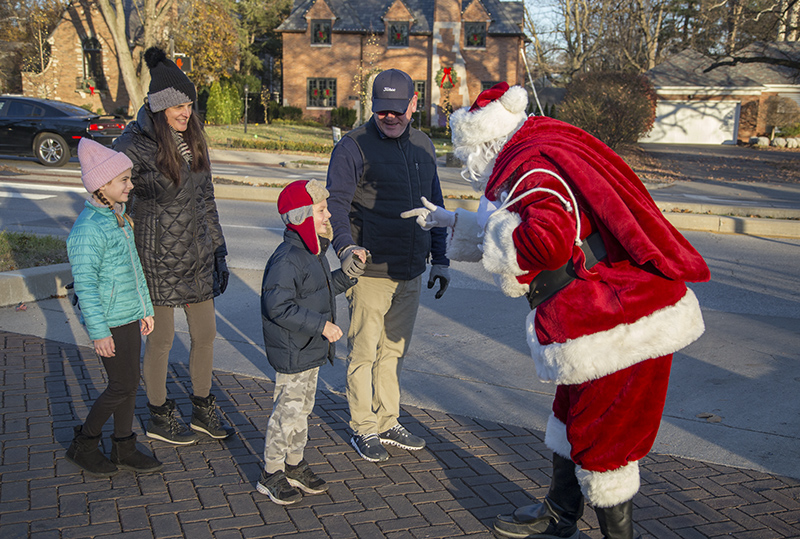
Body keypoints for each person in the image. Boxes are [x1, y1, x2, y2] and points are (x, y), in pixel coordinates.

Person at [402, 83, 710, 539]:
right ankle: (562, 511)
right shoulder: (535, 146)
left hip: (615, 324)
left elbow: (545, 241)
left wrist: (501, 237)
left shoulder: (529, 168)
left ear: (487, 141)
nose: (468, 163)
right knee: (572, 417)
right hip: (602, 311)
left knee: (605, 441)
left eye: (469, 151)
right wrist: (455, 224)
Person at [326, 68, 450, 463]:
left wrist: (441, 259)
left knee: (393, 352)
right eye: (383, 112)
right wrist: (345, 248)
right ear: (373, 107)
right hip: (370, 272)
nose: (391, 118)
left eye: (398, 110)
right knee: (363, 351)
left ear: (413, 104)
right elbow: (337, 206)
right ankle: (363, 426)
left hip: (411, 269)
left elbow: (435, 209)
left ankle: (387, 419)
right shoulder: (352, 147)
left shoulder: (425, 145)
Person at [114, 46, 232, 446]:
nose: (185, 112)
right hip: (157, 259)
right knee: (161, 340)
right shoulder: (135, 144)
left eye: (189, 104)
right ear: (159, 106)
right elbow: (109, 197)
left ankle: (201, 406)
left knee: (206, 333)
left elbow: (207, 199)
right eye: (177, 105)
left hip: (197, 256)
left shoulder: (194, 140)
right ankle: (159, 412)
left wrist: (219, 249)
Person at [257, 179, 360, 504]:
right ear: (302, 215)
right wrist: (322, 326)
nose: (328, 214)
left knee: (301, 411)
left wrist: (348, 275)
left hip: (308, 348)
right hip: (293, 348)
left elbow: (319, 290)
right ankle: (271, 473)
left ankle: (294, 464)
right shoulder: (288, 257)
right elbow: (277, 306)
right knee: (286, 412)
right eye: (321, 209)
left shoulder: (311, 251)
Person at [65, 138, 162, 477]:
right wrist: (98, 332)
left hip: (128, 316)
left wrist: (145, 309)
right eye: (124, 180)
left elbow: (134, 270)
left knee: (130, 382)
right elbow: (87, 288)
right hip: (108, 321)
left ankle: (124, 446)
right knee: (120, 385)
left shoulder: (116, 218)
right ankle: (85, 444)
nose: (130, 185)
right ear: (102, 185)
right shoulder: (88, 230)